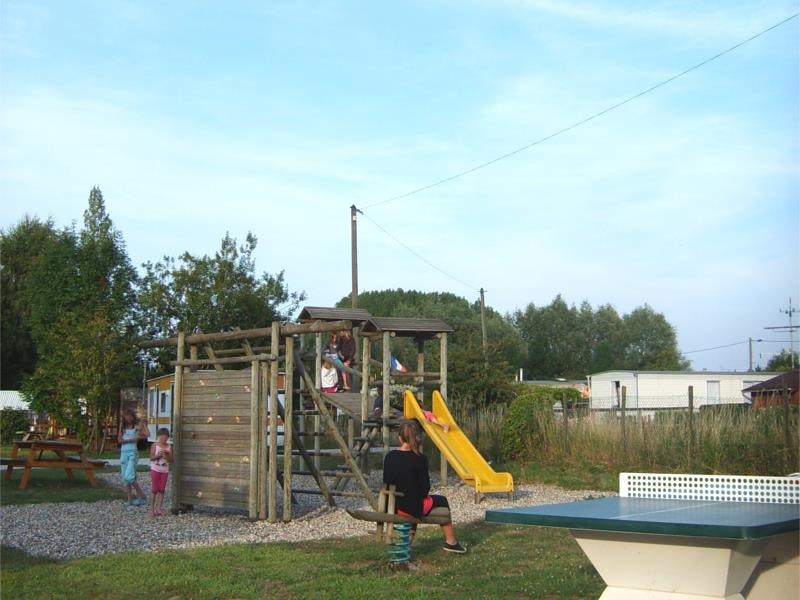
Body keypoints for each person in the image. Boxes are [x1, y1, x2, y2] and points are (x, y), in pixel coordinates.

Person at [383, 420, 466, 553]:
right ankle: (451, 542)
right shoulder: (420, 458)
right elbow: (425, 488)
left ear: (399, 438)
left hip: (391, 505)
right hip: (409, 508)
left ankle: (407, 545)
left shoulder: (389, 457)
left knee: (414, 501)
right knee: (441, 500)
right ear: (417, 438)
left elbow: (386, 481)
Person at [118, 409, 148, 506]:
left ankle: (141, 495)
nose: (128, 418)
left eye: (130, 416)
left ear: (132, 416)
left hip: (132, 452)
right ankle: (130, 499)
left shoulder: (136, 427)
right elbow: (119, 440)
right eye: (126, 416)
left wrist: (144, 425)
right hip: (123, 453)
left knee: (129, 476)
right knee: (125, 477)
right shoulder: (122, 427)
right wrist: (131, 440)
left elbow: (147, 435)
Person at [149, 427, 173, 517]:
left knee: (162, 489)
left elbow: (171, 460)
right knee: (154, 489)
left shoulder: (169, 447)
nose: (164, 438)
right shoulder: (154, 445)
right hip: (155, 469)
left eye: (166, 436)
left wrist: (167, 456)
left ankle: (159, 508)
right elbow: (151, 457)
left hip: (165, 470)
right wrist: (157, 456)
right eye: (162, 436)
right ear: (158, 436)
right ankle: (151, 509)